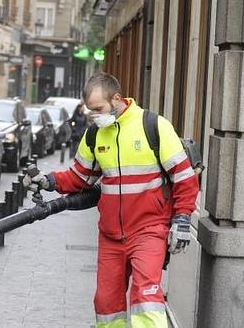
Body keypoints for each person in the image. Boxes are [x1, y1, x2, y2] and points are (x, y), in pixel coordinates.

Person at [24, 72, 199, 328]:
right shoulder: (95, 135)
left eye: (98, 109)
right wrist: (48, 180)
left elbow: (184, 178)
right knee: (106, 305)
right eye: (90, 110)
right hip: (111, 236)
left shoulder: (154, 125)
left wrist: (182, 219)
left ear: (116, 99)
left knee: (146, 300)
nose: (94, 115)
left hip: (149, 230)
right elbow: (79, 177)